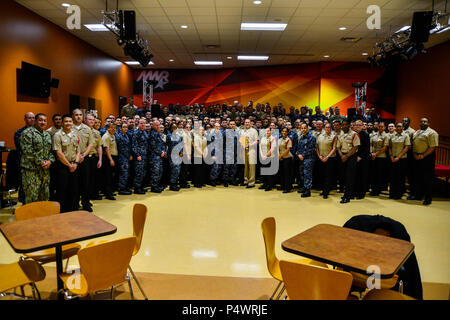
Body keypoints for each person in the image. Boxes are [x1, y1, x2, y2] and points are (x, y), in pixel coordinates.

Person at [19, 113, 54, 204]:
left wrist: (50, 161)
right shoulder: (27, 133)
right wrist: (41, 162)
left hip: (45, 171)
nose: (43, 122)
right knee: (32, 196)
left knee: (45, 195)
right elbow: (28, 151)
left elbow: (51, 151)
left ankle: (43, 217)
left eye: (45, 120)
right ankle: (30, 217)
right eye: (40, 120)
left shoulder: (47, 134)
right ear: (35, 121)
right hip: (31, 170)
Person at [53, 114, 81, 212]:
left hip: (74, 165)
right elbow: (58, 153)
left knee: (74, 189)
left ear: (72, 123)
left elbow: (78, 151)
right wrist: (69, 165)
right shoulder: (58, 135)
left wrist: (76, 163)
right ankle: (62, 211)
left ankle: (73, 210)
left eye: (70, 121)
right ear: (62, 123)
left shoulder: (75, 135)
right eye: (66, 121)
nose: (68, 123)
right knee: (62, 189)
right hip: (63, 166)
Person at [408, 118, 439, 205]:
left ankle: (428, 198)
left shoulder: (432, 133)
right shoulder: (417, 132)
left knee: (427, 179)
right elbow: (414, 143)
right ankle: (417, 195)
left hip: (427, 158)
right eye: (421, 121)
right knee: (417, 178)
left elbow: (432, 147)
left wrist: (423, 155)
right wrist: (414, 154)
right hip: (416, 157)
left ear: (428, 123)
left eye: (424, 121)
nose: (422, 123)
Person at [72, 109, 94, 212]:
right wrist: (77, 157)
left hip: (84, 159)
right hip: (72, 160)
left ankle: (85, 203)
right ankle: (75, 204)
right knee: (74, 183)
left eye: (80, 115)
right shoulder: (68, 127)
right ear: (73, 116)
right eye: (76, 115)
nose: (78, 117)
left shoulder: (87, 129)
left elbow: (91, 144)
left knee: (85, 182)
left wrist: (83, 155)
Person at [337, 119, 360, 204]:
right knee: (344, 176)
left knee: (350, 177)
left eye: (346, 124)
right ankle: (348, 194)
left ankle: (347, 196)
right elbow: (338, 147)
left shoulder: (354, 134)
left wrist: (346, 156)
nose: (344, 126)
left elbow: (355, 147)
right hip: (343, 156)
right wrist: (342, 156)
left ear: (349, 125)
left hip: (351, 157)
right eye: (343, 125)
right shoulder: (341, 135)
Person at [14, 112, 35, 204]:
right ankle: (24, 205)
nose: (32, 119)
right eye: (29, 118)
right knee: (24, 185)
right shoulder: (19, 132)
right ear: (25, 119)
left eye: (33, 118)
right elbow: (22, 148)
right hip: (24, 163)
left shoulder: (39, 131)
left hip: (36, 163)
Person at [389, 123, 411, 200]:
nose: (398, 128)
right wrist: (391, 156)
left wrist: (398, 157)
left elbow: (406, 147)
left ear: (403, 128)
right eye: (397, 126)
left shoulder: (406, 135)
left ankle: (398, 194)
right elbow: (390, 147)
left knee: (400, 177)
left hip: (402, 159)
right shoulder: (392, 136)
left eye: (400, 126)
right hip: (393, 158)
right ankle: (392, 194)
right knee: (393, 177)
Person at [316, 123, 337, 199]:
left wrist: (327, 157)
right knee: (321, 175)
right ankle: (323, 189)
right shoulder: (320, 136)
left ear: (331, 128)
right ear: (324, 128)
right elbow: (317, 147)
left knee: (328, 176)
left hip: (330, 159)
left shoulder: (333, 136)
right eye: (326, 127)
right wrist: (319, 156)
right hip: (321, 158)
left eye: (329, 127)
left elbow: (334, 148)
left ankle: (326, 192)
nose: (327, 128)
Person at [86, 114, 103, 201]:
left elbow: (99, 146)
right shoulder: (82, 130)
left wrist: (100, 159)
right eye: (90, 120)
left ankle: (92, 195)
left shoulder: (97, 132)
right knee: (85, 179)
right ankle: (85, 197)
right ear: (85, 120)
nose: (92, 122)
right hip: (84, 158)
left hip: (93, 157)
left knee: (93, 178)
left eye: (93, 120)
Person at [296, 123, 316, 198]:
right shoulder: (301, 137)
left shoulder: (312, 137)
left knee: (307, 174)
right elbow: (299, 147)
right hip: (301, 158)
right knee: (302, 173)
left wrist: (303, 155)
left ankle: (308, 190)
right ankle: (304, 187)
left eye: (305, 128)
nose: (303, 129)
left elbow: (311, 149)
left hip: (309, 158)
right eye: (302, 128)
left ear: (307, 128)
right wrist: (299, 154)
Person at [370, 122, 389, 196]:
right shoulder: (374, 135)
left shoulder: (386, 136)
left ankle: (378, 190)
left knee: (379, 174)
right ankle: (374, 189)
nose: (380, 128)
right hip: (373, 156)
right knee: (373, 174)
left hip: (381, 157)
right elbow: (371, 144)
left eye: (382, 127)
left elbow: (384, 148)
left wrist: (376, 154)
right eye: (379, 127)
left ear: (384, 128)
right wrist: (371, 153)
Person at [148, 120, 166, 193]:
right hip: (154, 157)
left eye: (159, 125)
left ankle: (157, 185)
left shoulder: (158, 133)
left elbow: (162, 144)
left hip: (160, 156)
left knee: (159, 171)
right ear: (153, 126)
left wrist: (163, 151)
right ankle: (154, 187)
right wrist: (160, 152)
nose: (158, 126)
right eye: (156, 125)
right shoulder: (152, 134)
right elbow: (153, 146)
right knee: (155, 172)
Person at [354, 120, 370, 199]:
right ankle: (355, 191)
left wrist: (360, 156)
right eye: (356, 125)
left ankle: (361, 193)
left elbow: (366, 147)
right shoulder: (354, 134)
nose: (357, 126)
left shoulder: (365, 134)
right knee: (356, 176)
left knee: (362, 176)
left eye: (359, 125)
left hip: (363, 158)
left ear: (362, 126)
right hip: (355, 157)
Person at [240, 119, 259, 188]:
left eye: (248, 122)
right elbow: (241, 140)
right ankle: (246, 180)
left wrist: (249, 145)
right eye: (246, 122)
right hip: (244, 150)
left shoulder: (254, 131)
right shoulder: (242, 131)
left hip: (251, 150)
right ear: (244, 123)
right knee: (245, 166)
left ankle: (251, 182)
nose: (247, 123)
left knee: (251, 166)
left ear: (251, 123)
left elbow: (257, 141)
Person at [101, 123, 118, 200]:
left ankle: (109, 191)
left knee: (111, 176)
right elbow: (106, 149)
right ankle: (108, 194)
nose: (113, 129)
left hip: (113, 156)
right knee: (108, 176)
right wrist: (111, 159)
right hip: (108, 158)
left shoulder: (113, 135)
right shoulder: (106, 136)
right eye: (111, 128)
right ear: (107, 128)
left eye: (114, 128)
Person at [132, 119, 149, 194]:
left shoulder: (144, 132)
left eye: (144, 123)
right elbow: (134, 145)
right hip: (139, 156)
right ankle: (137, 188)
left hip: (145, 155)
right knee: (138, 172)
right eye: (141, 123)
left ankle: (141, 186)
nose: (143, 125)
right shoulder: (136, 132)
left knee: (143, 172)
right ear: (138, 124)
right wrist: (137, 154)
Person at [116, 123, 133, 195]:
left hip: (126, 157)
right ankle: (121, 189)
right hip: (122, 157)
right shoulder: (119, 136)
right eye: (124, 127)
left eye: (126, 127)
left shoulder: (126, 135)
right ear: (121, 128)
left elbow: (128, 147)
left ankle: (125, 187)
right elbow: (121, 148)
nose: (125, 128)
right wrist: (128, 155)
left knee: (126, 173)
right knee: (123, 173)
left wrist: (130, 155)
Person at [167, 123, 183, 191]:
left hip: (178, 156)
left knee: (177, 170)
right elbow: (168, 146)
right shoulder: (169, 135)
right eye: (173, 127)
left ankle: (175, 183)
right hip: (172, 155)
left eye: (175, 127)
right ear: (170, 128)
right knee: (174, 170)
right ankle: (172, 184)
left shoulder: (178, 136)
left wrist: (181, 151)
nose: (174, 129)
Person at [223, 121, 238, 187]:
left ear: (235, 125)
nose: (232, 125)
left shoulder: (237, 132)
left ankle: (232, 180)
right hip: (228, 152)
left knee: (233, 167)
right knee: (226, 167)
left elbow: (240, 142)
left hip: (235, 152)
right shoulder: (225, 132)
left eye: (233, 124)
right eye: (231, 124)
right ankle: (225, 181)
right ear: (229, 125)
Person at [278, 127, 293, 193]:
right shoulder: (279, 139)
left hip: (287, 158)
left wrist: (281, 155)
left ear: (287, 132)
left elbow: (288, 150)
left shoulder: (288, 140)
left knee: (287, 174)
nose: (284, 132)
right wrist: (279, 156)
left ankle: (287, 188)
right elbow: (277, 148)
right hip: (281, 158)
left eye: (285, 131)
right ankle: (282, 186)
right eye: (283, 131)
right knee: (282, 173)